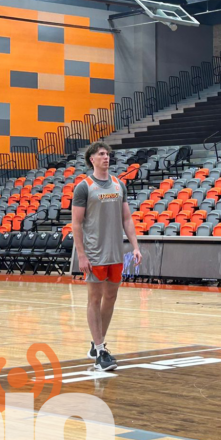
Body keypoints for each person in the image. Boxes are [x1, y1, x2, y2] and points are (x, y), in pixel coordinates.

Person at [70, 141, 142, 372]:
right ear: (92, 158)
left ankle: (96, 343)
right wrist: (81, 255)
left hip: (115, 252)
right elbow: (76, 224)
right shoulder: (84, 187)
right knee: (95, 298)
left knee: (110, 297)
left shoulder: (119, 184)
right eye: (101, 154)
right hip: (94, 253)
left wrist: (135, 246)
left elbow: (127, 219)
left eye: (108, 154)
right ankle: (100, 350)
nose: (106, 157)